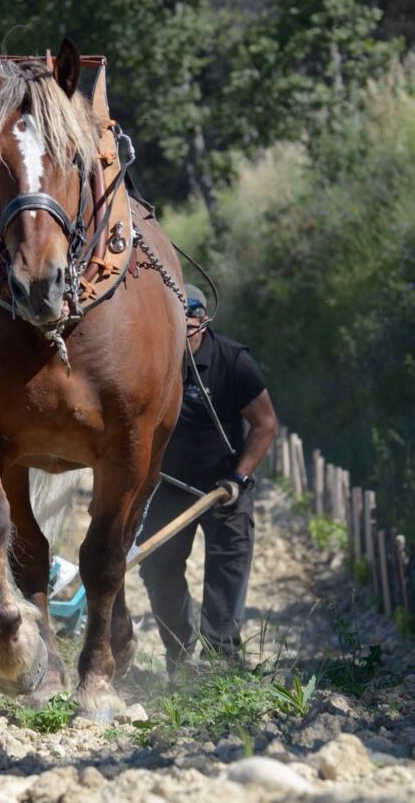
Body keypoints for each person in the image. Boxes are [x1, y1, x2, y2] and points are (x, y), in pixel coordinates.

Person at [139, 284, 277, 673]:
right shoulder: (152, 360)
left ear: (202, 321)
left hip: (224, 489)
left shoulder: (234, 362)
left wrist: (237, 478)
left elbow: (265, 425)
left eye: (187, 324)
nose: (180, 334)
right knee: (157, 567)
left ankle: (220, 660)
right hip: (169, 485)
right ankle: (179, 656)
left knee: (227, 569)